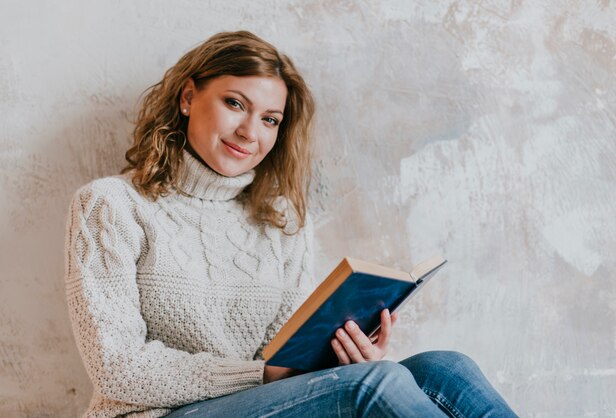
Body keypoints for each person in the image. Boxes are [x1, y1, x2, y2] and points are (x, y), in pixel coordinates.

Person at [64, 31, 517, 418]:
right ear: (188, 97)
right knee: (372, 386)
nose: (249, 132)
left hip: (263, 402)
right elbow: (117, 368)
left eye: (270, 119)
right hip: (155, 413)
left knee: (446, 368)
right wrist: (259, 374)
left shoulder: (281, 221)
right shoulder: (110, 205)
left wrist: (346, 356)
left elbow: (287, 357)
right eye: (235, 103)